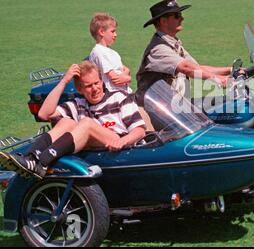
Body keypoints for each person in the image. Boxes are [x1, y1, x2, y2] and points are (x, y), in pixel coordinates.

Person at [0, 61, 146, 179]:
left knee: (86, 123)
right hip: (93, 150)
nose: (94, 89)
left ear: (102, 81)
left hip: (118, 145)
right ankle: (32, 158)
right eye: (88, 86)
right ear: (80, 89)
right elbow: (44, 114)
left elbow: (140, 130)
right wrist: (64, 81)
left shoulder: (119, 97)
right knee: (67, 122)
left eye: (97, 83)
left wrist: (122, 141)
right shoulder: (78, 104)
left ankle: (43, 162)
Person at [136, 0, 231, 107]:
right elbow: (187, 68)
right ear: (163, 21)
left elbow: (196, 67)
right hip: (158, 111)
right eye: (177, 16)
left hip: (174, 107)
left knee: (226, 102)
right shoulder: (158, 49)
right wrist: (219, 80)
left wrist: (230, 70)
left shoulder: (172, 43)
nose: (182, 18)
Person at [89, 13, 132, 94]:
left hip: (123, 93)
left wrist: (125, 76)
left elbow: (126, 69)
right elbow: (115, 79)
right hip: (113, 96)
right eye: (112, 31)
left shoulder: (113, 52)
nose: (115, 35)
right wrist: (128, 78)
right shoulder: (99, 52)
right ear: (101, 32)